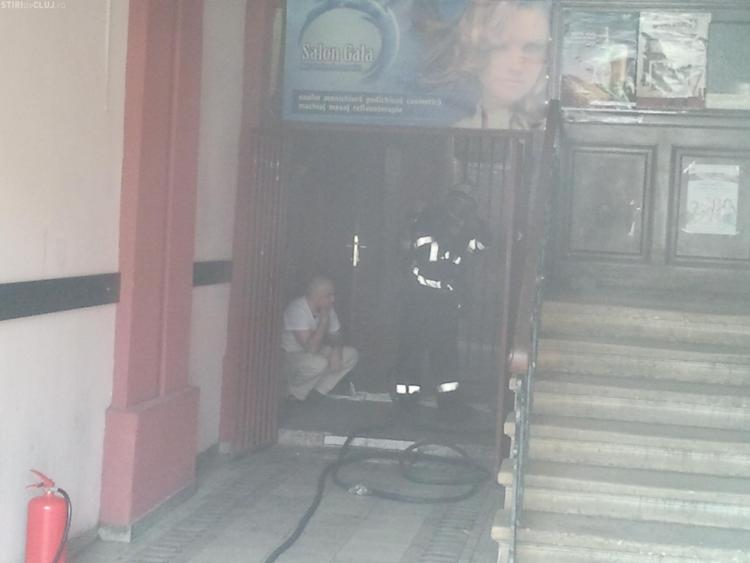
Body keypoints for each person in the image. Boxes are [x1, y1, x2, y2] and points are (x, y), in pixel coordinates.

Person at [392, 188, 490, 419]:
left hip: (444, 299)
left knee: (445, 349)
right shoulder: (427, 221)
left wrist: (478, 224)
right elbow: (417, 248)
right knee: (411, 346)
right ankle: (406, 397)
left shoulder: (465, 230)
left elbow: (482, 245)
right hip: (418, 295)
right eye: (458, 204)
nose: (460, 210)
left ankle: (448, 400)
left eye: (465, 206)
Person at [415, 0, 550, 129]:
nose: (516, 67)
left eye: (532, 48)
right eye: (500, 47)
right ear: (473, 47)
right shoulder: (438, 125)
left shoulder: (549, 128)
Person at [281, 276, 359, 403]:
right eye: (329, 295)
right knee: (318, 363)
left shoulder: (327, 308)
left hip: (315, 352)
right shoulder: (297, 309)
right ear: (316, 296)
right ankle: (294, 395)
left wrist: (337, 351)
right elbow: (311, 348)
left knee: (351, 354)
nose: (333, 299)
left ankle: (317, 393)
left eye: (333, 295)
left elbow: (336, 334)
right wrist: (323, 322)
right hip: (291, 355)